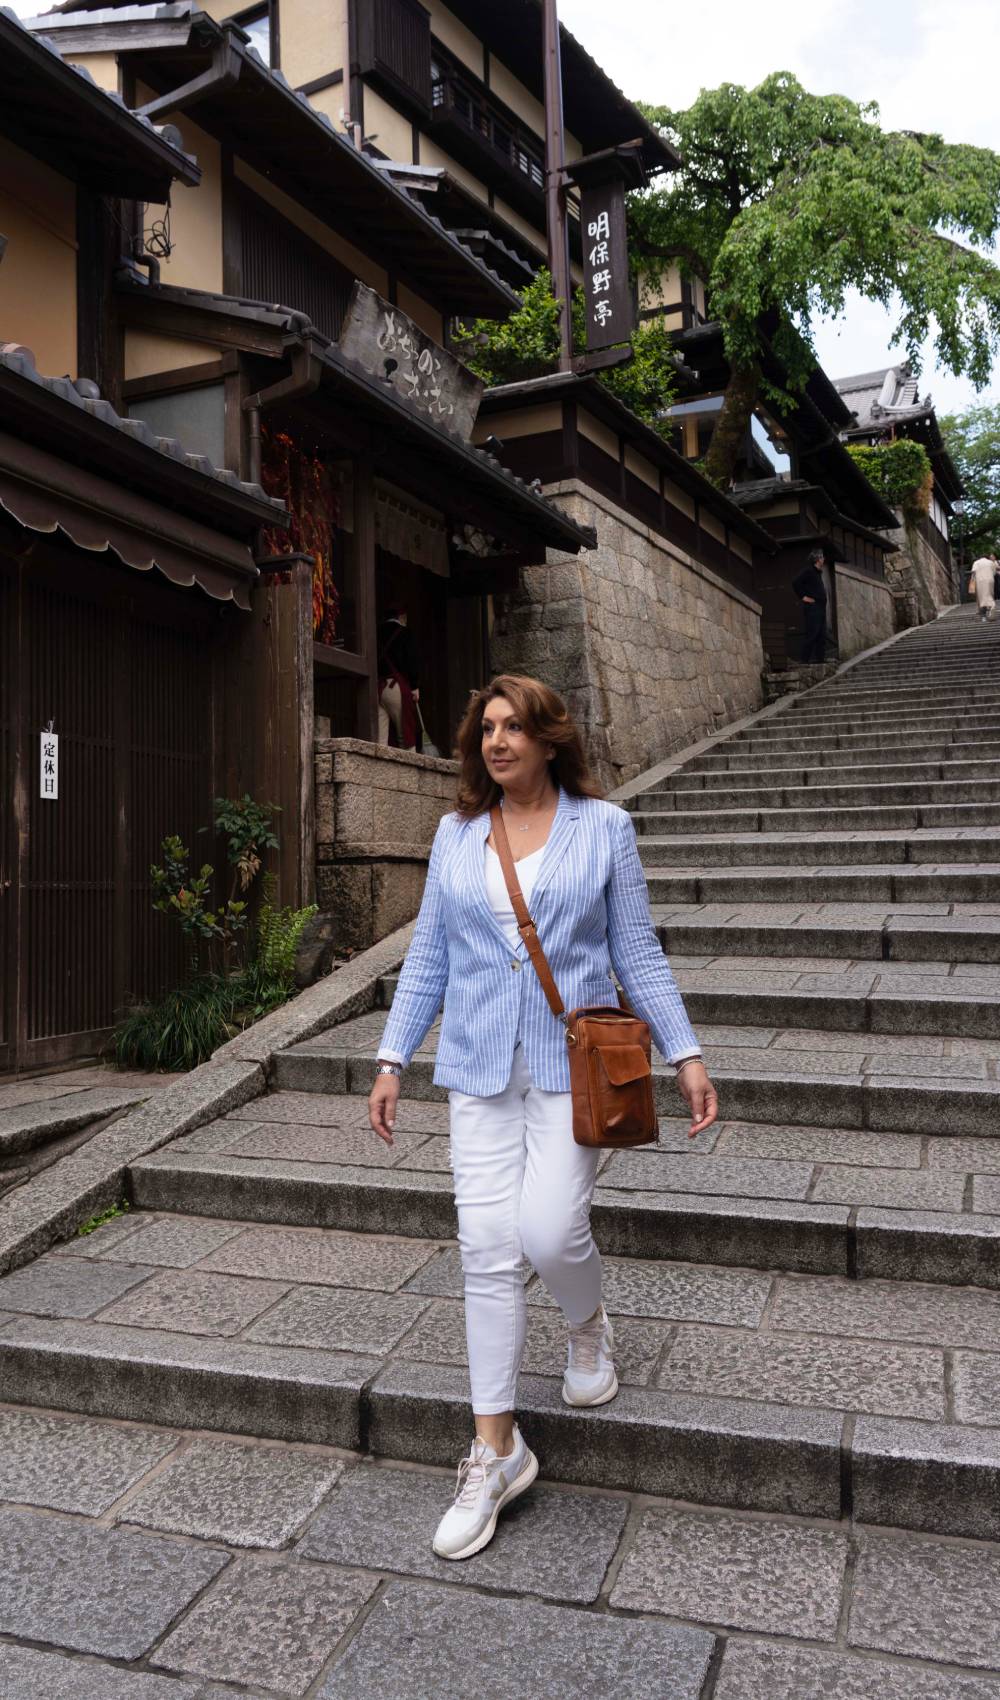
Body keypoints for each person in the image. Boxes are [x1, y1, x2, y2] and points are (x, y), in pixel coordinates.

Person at [368, 674, 718, 1561]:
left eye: (515, 727)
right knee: (486, 1248)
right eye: (486, 727)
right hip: (479, 1067)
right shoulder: (455, 835)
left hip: (574, 1067)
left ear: (550, 739)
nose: (497, 741)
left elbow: (635, 947)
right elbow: (431, 955)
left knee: (551, 1232)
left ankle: (587, 1323)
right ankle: (496, 1449)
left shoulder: (603, 829)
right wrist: (390, 1057)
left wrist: (684, 1053)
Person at [377, 603, 421, 748]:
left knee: (381, 740)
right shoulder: (405, 633)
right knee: (405, 736)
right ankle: (409, 771)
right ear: (401, 617)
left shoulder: (375, 632)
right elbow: (412, 661)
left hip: (377, 689)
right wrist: (414, 687)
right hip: (395, 687)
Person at [792, 546, 829, 663]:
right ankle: (804, 660)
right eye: (822, 557)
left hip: (821, 608)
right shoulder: (809, 571)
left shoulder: (818, 573)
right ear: (818, 559)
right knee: (812, 633)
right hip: (813, 608)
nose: (824, 559)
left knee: (821, 635)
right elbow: (795, 582)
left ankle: (820, 660)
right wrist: (803, 597)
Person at [969, 556, 998, 621]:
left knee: (981, 597)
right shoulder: (990, 562)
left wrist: (972, 582)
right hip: (990, 580)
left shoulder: (976, 562)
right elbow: (994, 572)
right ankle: (991, 606)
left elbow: (973, 572)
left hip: (980, 581)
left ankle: (983, 616)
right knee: (989, 594)